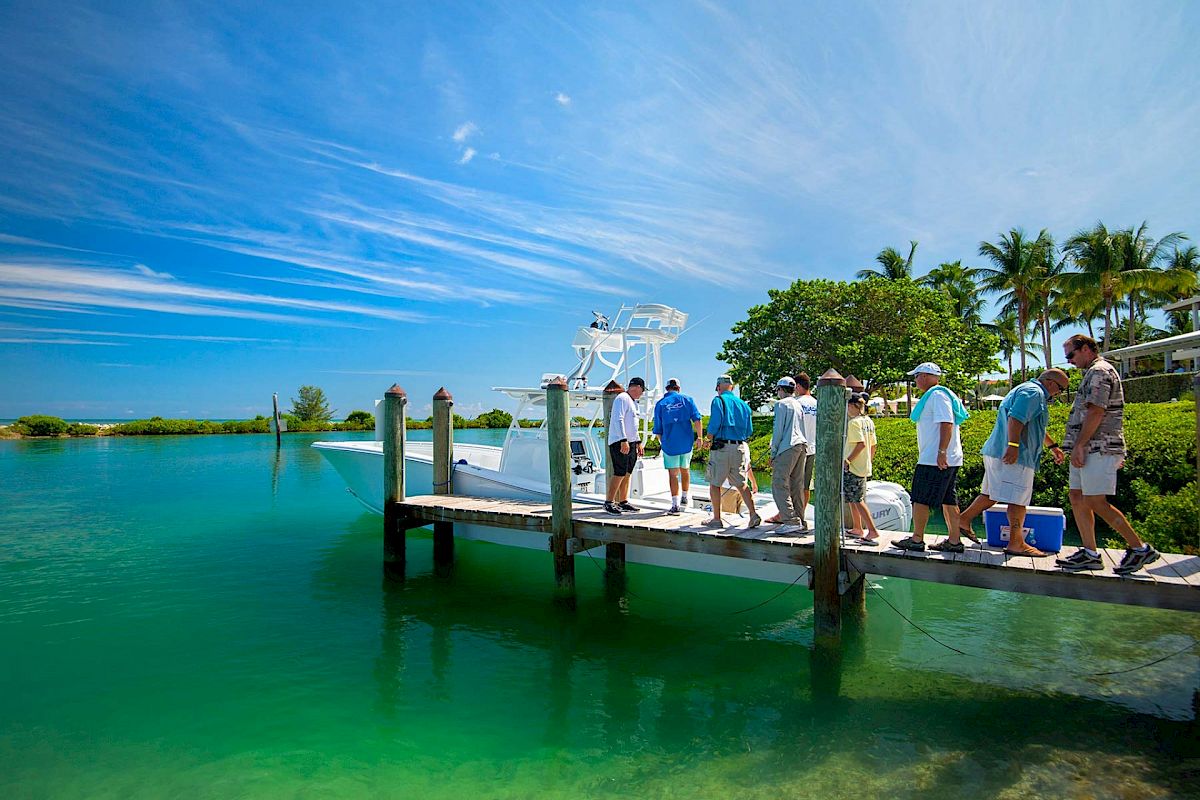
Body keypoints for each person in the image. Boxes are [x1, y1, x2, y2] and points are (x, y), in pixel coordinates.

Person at [1056, 334, 1160, 574]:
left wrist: (1081, 444)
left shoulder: (1100, 372)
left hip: (1097, 446)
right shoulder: (1091, 373)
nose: (1069, 361)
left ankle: (1139, 548)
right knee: (1077, 496)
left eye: (1071, 355)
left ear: (1086, 349)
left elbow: (1096, 411)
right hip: (1087, 447)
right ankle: (1090, 553)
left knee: (1095, 500)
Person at [955, 369, 1069, 555]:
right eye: (1060, 388)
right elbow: (1015, 418)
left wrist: (1053, 446)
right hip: (1015, 455)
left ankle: (963, 519)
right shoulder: (1034, 393)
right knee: (1018, 500)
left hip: (996, 451)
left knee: (991, 493)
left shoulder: (1026, 389)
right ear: (1050, 382)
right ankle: (1016, 542)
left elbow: (1034, 426)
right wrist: (1013, 445)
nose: (1059, 393)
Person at [891, 362, 969, 553]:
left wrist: (941, 451)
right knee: (949, 499)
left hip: (934, 458)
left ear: (925, 375)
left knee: (920, 498)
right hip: (944, 457)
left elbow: (946, 423)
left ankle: (917, 539)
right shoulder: (938, 395)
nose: (915, 380)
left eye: (916, 376)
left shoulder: (937, 396)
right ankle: (954, 540)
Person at [700, 375, 760, 528]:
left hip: (721, 447)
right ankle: (753, 515)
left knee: (715, 483)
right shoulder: (743, 405)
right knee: (741, 483)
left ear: (718, 387)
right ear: (732, 387)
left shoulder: (718, 400)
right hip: (739, 446)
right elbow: (749, 430)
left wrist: (708, 438)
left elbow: (714, 423)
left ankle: (716, 519)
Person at [652, 377, 702, 515]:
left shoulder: (660, 404)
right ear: (678, 388)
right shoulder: (688, 400)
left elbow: (658, 429)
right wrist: (700, 437)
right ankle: (685, 497)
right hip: (686, 443)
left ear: (667, 389)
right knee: (685, 469)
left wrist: (664, 443)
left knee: (673, 474)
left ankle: (675, 505)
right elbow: (697, 419)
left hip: (670, 445)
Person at [765, 376, 808, 527]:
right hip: (802, 445)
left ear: (780, 389)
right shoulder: (798, 404)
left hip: (787, 447)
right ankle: (800, 520)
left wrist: (773, 453)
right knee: (796, 485)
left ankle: (790, 521)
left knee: (779, 483)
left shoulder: (781, 404)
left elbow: (778, 431)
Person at [605, 377, 645, 515]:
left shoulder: (634, 403)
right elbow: (618, 419)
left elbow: (634, 425)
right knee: (619, 472)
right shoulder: (622, 398)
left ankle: (623, 501)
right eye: (642, 391)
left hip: (632, 442)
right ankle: (609, 502)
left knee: (628, 473)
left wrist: (638, 442)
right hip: (620, 441)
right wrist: (623, 439)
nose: (642, 394)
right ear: (638, 387)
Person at [843, 394, 878, 542]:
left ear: (851, 406)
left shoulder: (854, 423)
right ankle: (857, 528)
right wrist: (869, 460)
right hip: (864, 465)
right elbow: (873, 445)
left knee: (857, 499)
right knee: (852, 498)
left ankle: (872, 530)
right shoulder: (868, 421)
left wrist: (848, 460)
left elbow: (861, 444)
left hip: (854, 466)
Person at [793, 372, 818, 520]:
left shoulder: (796, 403)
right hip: (813, 448)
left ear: (797, 386)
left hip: (797, 448)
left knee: (791, 484)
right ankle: (801, 514)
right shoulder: (817, 403)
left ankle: (787, 514)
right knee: (806, 485)